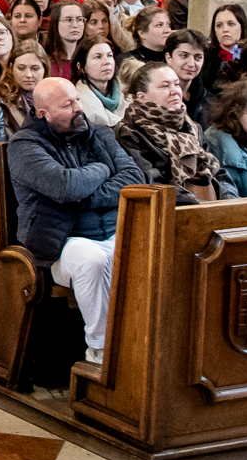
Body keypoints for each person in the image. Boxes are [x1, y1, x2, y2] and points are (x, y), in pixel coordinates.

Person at [8, 79, 146, 368]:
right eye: (67, 105)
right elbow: (65, 186)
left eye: (77, 100)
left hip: (112, 229)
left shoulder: (98, 133)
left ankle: (142, 345)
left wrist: (84, 196)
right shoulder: (24, 145)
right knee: (91, 260)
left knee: (154, 250)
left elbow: (133, 177)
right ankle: (100, 350)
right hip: (61, 239)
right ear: (43, 113)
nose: (77, 108)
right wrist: (103, 168)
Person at [113, 61, 232, 200]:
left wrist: (229, 199)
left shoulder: (192, 127)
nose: (175, 91)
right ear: (141, 97)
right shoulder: (129, 132)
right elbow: (150, 182)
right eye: (165, 86)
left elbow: (219, 173)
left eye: (176, 84)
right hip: (166, 209)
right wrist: (197, 205)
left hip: (207, 205)